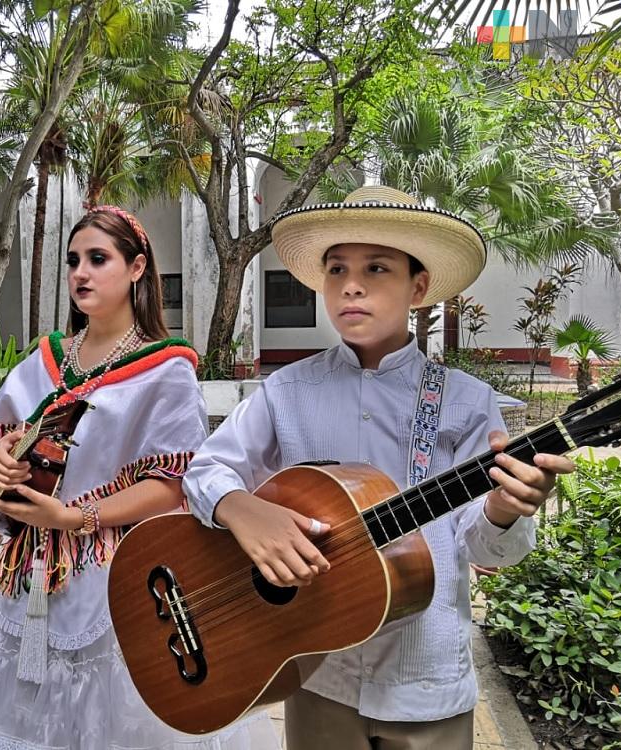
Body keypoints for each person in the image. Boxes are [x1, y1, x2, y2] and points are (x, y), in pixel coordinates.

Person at [182, 186, 576, 749]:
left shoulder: (466, 403)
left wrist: (504, 511)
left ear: (419, 288)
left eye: (377, 268)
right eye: (336, 268)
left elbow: (489, 551)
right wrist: (240, 508)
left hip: (426, 679)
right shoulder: (287, 391)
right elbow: (204, 471)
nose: (352, 284)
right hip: (318, 674)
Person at [0, 206, 279, 749]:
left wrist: (74, 516)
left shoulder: (167, 371)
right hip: (23, 573)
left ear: (137, 268)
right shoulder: (46, 358)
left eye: (99, 259)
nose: (81, 273)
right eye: (74, 261)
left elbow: (172, 484)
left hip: (112, 573)